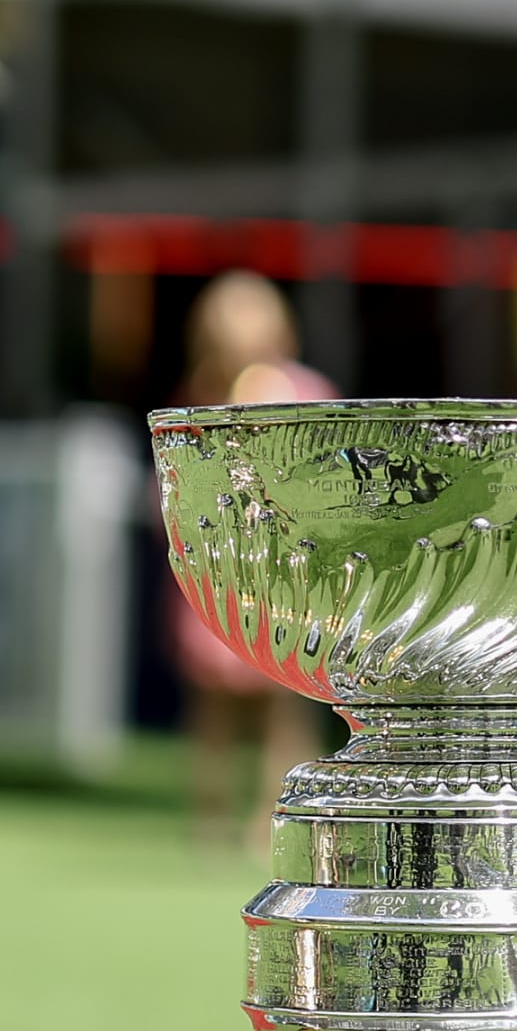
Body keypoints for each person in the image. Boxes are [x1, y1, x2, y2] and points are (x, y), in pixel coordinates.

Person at [170, 271, 334, 849]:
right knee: (212, 700)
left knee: (286, 699)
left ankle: (276, 813)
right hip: (219, 567)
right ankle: (210, 810)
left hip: (288, 573)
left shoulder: (305, 393)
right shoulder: (200, 395)